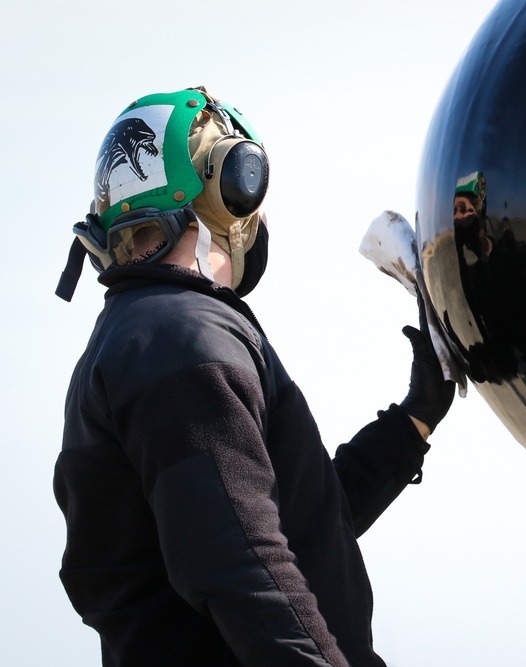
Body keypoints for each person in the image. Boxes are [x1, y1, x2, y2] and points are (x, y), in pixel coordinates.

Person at [53, 87, 455, 666]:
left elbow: (285, 523)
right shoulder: (182, 340)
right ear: (233, 184)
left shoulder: (146, 335)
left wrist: (413, 418)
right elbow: (241, 567)